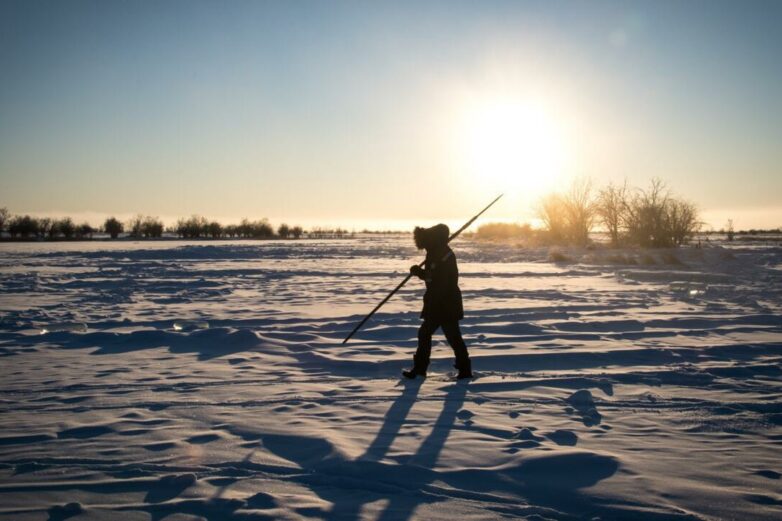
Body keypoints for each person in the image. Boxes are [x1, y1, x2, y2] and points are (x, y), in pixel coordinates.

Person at [403, 223, 472, 380]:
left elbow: (438, 278)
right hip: (437, 302)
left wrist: (421, 273)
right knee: (427, 334)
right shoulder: (435, 252)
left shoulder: (445, 254)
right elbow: (432, 275)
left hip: (446, 303)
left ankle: (464, 370)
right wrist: (421, 273)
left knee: (452, 338)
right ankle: (420, 369)